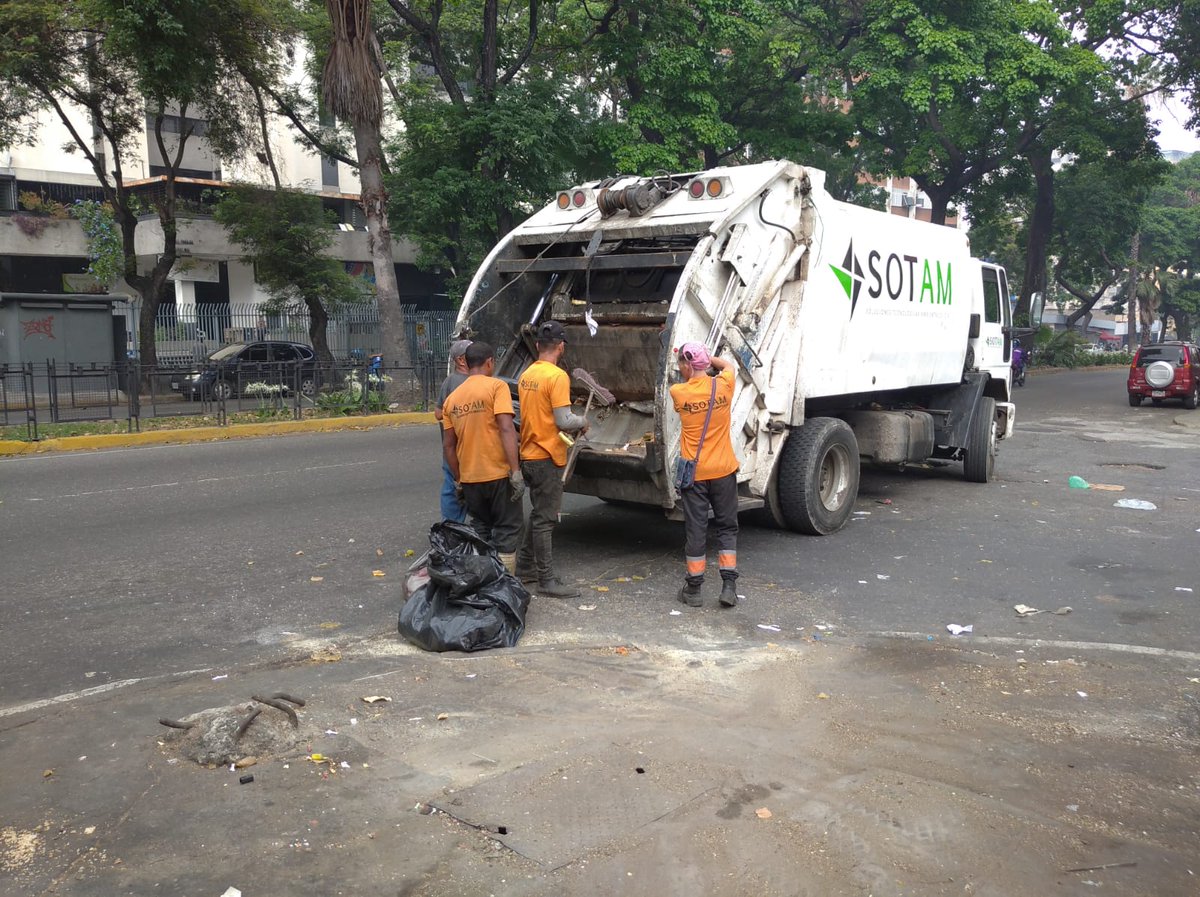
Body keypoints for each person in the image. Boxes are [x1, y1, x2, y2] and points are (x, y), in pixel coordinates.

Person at [514, 321, 590, 598]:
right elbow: (563, 420)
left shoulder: (527, 375)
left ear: (537, 346)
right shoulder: (557, 377)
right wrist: (583, 421)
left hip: (529, 453)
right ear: (560, 347)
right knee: (546, 519)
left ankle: (524, 568)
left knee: (537, 514)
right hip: (547, 455)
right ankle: (546, 579)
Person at [441, 341, 526, 572]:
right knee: (507, 530)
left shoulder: (452, 399)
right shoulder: (496, 387)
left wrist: (458, 479)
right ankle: (504, 584)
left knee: (480, 529)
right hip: (498, 474)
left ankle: (484, 582)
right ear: (490, 362)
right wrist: (515, 471)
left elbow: (448, 446)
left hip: (470, 479)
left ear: (466, 365)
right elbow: (507, 428)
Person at [669, 341, 740, 608]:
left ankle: (694, 589)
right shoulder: (723, 386)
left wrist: (697, 365)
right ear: (704, 363)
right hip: (723, 470)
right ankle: (729, 587)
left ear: (687, 365)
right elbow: (729, 366)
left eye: (681, 364)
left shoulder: (679, 393)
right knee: (727, 527)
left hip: (695, 475)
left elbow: (685, 386)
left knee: (696, 529)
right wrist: (711, 359)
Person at [434, 339, 472, 522]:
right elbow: (440, 414)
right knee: (456, 486)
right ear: (461, 360)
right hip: (461, 447)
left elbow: (438, 413)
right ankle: (454, 526)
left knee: (453, 486)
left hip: (452, 448)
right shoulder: (463, 382)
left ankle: (453, 526)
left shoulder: (449, 381)